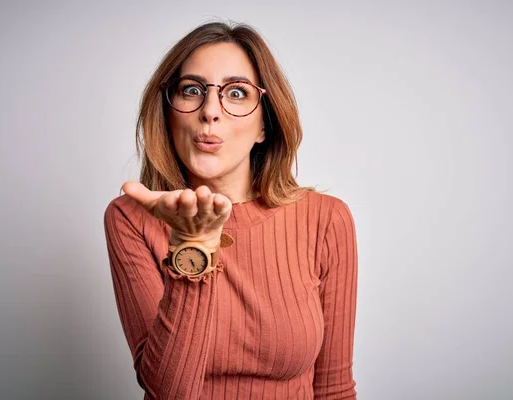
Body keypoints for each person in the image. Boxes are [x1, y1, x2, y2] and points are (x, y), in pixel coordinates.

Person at [103, 21, 358, 399]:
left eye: (236, 93)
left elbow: (334, 389)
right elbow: (168, 391)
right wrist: (194, 245)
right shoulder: (130, 219)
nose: (210, 111)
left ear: (264, 126)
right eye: (191, 90)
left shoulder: (326, 219)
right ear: (168, 113)